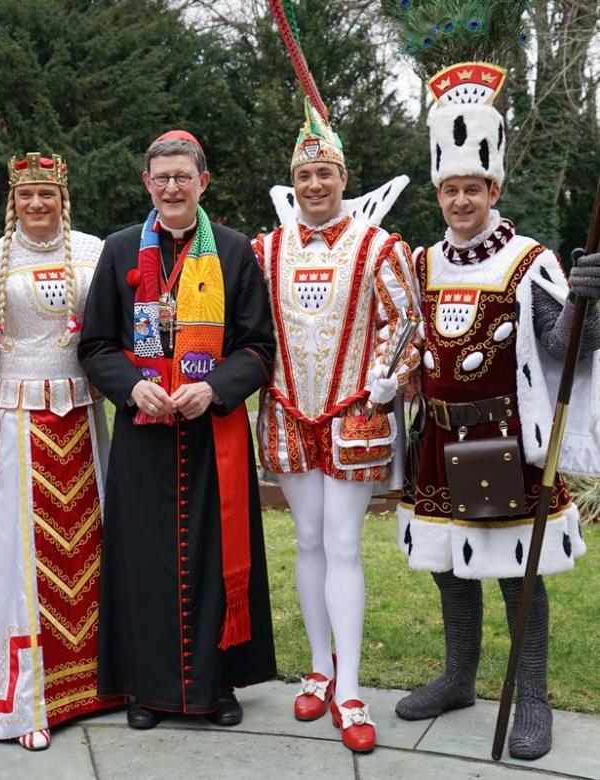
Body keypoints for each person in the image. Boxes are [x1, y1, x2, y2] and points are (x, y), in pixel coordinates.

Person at [396, 62, 600, 760]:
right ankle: (457, 677)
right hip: (436, 441)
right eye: (450, 189)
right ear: (439, 190)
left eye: (473, 189)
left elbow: (562, 348)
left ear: (495, 189)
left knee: (516, 570)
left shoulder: (527, 260)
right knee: (449, 564)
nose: (460, 200)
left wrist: (585, 303)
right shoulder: (422, 263)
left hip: (504, 442)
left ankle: (533, 696)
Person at [78, 130, 277, 730]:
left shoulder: (237, 252)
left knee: (219, 558)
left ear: (202, 183)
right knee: (143, 561)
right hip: (144, 431)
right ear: (147, 183)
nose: (171, 186)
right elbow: (95, 344)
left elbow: (258, 346)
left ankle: (218, 686)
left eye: (182, 177)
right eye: (161, 177)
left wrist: (214, 387)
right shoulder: (117, 252)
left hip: (212, 431)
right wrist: (130, 385)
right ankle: (145, 688)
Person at [252, 99, 419, 753]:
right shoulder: (265, 250)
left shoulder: (380, 246)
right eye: (304, 176)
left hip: (356, 413)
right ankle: (317, 668)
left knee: (345, 545)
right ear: (294, 183)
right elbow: (248, 327)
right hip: (290, 410)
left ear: (343, 179)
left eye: (325, 175)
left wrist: (387, 375)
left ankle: (349, 687)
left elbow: (405, 321)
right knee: (310, 539)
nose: (314, 185)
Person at [0, 153, 121, 751]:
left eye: (46, 194)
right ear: (13, 200)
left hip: (81, 419)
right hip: (13, 421)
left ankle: (102, 685)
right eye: (27, 196)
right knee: (16, 560)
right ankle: (24, 700)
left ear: (62, 196)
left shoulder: (94, 251)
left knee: (92, 549)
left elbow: (115, 330)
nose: (37, 205)